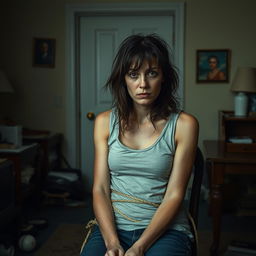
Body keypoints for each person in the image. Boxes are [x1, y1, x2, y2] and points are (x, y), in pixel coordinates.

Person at [80, 34, 199, 256]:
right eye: (133, 75)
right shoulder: (104, 122)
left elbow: (175, 194)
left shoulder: (184, 125)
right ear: (123, 79)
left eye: (151, 73)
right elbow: (100, 189)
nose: (143, 84)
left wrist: (139, 247)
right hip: (112, 226)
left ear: (163, 77)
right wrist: (112, 242)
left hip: (166, 229)